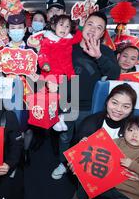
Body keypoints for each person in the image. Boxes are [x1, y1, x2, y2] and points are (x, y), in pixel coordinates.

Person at [52, 11, 121, 180]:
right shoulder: (68, 46)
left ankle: (82, 168)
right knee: (65, 137)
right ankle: (63, 162)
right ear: (83, 26)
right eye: (90, 24)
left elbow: (114, 74)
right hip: (67, 103)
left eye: (99, 28)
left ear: (103, 33)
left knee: (86, 139)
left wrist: (98, 56)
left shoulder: (105, 51)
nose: (93, 30)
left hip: (91, 107)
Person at [58, 83, 137, 199]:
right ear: (107, 102)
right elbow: (76, 150)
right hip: (97, 173)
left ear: (132, 109)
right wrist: (75, 162)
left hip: (125, 175)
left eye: (126, 106)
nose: (118, 109)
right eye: (114, 103)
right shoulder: (91, 122)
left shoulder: (136, 127)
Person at [30, 14, 82, 131]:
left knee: (65, 99)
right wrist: (45, 64)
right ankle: (54, 119)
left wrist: (80, 27)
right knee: (53, 98)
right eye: (61, 25)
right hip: (51, 74)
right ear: (54, 26)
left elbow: (79, 37)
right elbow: (42, 54)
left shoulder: (69, 39)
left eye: (67, 26)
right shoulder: (48, 41)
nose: (64, 28)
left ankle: (60, 118)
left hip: (66, 74)